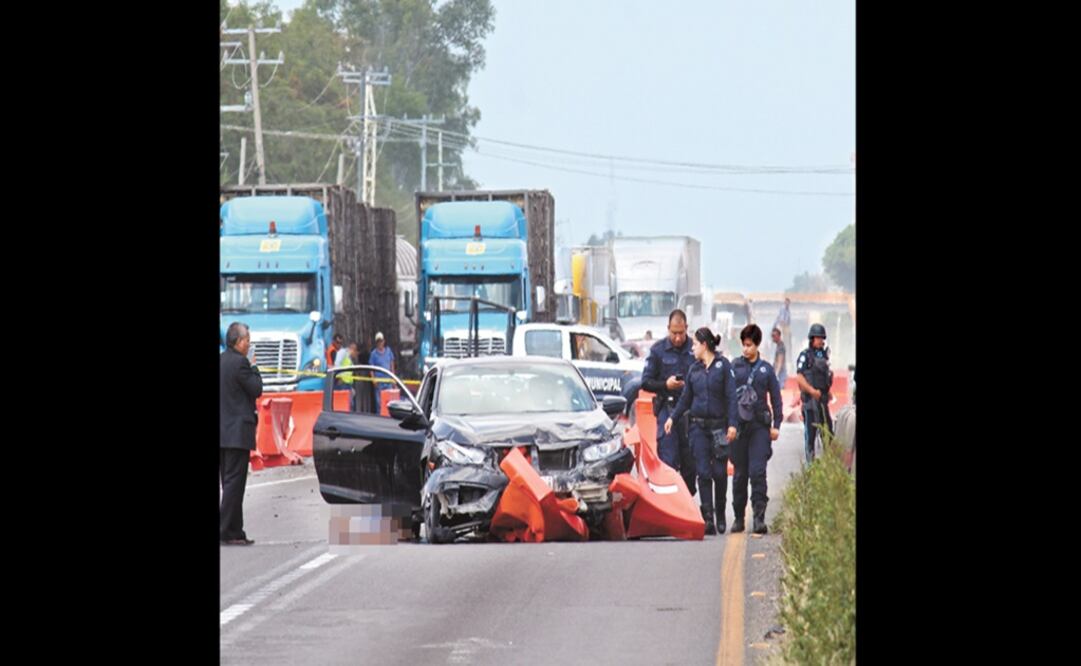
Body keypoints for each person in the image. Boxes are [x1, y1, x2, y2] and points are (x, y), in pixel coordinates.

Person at [665, 327, 735, 535]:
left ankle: (720, 512)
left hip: (719, 427)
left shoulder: (723, 366)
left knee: (719, 473)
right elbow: (686, 398)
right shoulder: (694, 370)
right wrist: (672, 418)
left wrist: (733, 424)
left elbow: (731, 398)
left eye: (695, 344)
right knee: (703, 473)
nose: (692, 348)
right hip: (698, 428)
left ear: (704, 345)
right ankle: (708, 517)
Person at [728, 324, 783, 534]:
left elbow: (776, 399)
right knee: (740, 474)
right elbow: (727, 397)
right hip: (739, 428)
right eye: (743, 345)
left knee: (757, 472)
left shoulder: (766, 370)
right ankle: (738, 517)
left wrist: (776, 425)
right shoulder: (734, 367)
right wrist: (728, 424)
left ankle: (759, 517)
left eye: (749, 345)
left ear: (757, 345)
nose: (745, 349)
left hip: (759, 427)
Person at [641, 309, 697, 495]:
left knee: (690, 465)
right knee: (668, 461)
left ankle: (688, 502)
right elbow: (645, 382)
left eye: (681, 333)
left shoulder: (696, 349)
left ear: (686, 328)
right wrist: (666, 384)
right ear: (668, 329)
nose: (678, 338)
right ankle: (671, 504)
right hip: (667, 409)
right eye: (674, 333)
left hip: (690, 413)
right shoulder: (658, 351)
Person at [220, 322, 263, 546]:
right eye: (247, 340)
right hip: (237, 433)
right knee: (234, 485)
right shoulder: (241, 364)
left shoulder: (221, 360)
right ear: (238, 341)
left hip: (223, 432)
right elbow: (256, 389)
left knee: (229, 483)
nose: (249, 344)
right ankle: (226, 530)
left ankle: (235, 530)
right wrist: (254, 367)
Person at [795, 323, 834, 464]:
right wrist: (812, 391)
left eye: (822, 338)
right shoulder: (805, 356)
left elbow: (825, 376)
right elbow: (799, 377)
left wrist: (828, 391)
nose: (820, 341)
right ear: (812, 339)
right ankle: (810, 467)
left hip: (822, 401)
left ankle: (829, 465)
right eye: (817, 338)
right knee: (810, 436)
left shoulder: (824, 356)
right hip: (810, 402)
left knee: (828, 434)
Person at [368, 332, 396, 412]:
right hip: (379, 382)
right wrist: (373, 379)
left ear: (384, 341)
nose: (380, 343)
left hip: (388, 381)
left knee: (390, 402)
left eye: (381, 341)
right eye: (378, 341)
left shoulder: (388, 351)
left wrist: (393, 378)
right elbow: (371, 368)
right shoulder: (373, 354)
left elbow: (392, 364)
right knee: (379, 403)